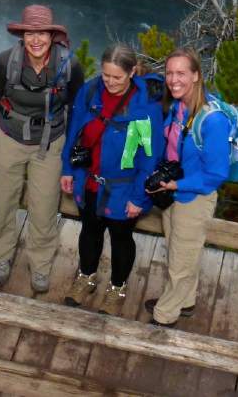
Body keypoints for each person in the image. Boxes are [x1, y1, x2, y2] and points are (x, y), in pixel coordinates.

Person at [60, 44, 164, 315]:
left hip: (124, 187)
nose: (110, 82)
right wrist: (67, 169)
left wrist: (139, 196)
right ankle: (87, 277)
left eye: (117, 77)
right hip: (89, 179)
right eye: (106, 75)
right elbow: (75, 131)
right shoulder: (91, 91)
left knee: (121, 237)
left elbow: (149, 156)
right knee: (90, 231)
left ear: (132, 72)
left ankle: (117, 287)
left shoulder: (144, 105)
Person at [0, 5, 84, 291]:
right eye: (30, 33)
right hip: (9, 136)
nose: (36, 40)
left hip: (50, 141)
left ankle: (40, 265)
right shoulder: (6, 61)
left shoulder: (69, 65)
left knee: (44, 208)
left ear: (52, 36)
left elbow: (75, 106)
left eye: (41, 33)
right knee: (3, 202)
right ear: (23, 35)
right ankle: (0, 257)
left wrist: (69, 149)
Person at [145, 47, 230, 327]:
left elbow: (216, 173)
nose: (173, 79)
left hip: (194, 198)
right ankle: (185, 301)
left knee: (179, 263)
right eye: (169, 73)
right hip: (174, 191)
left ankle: (164, 317)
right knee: (180, 251)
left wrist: (177, 183)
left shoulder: (212, 120)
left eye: (181, 73)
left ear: (196, 76)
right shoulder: (179, 106)